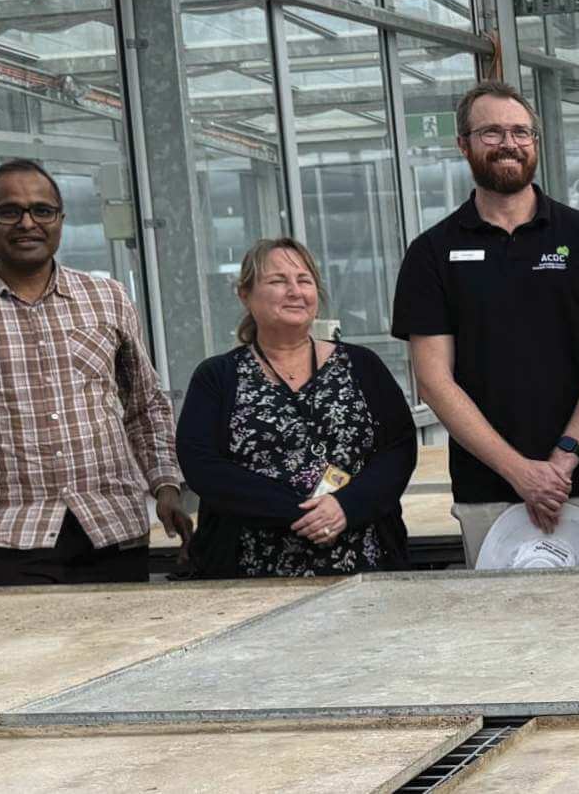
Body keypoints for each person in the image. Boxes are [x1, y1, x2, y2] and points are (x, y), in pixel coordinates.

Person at [0, 159, 191, 595]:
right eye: (9, 211)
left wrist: (165, 484)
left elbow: (144, 403)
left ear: (60, 219)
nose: (27, 223)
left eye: (42, 210)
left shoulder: (107, 299)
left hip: (112, 522)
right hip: (14, 534)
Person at [391, 81, 579, 568]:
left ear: (535, 143)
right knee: (502, 636)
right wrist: (520, 472)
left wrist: (563, 460)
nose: (509, 143)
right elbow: (435, 380)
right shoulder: (432, 254)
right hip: (489, 493)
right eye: (492, 132)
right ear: (463, 145)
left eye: (521, 132)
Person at [177, 239, 416, 578]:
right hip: (249, 572)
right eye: (277, 281)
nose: (294, 290)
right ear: (244, 295)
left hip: (365, 561)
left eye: (304, 280)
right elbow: (201, 465)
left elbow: (398, 449)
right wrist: (301, 513)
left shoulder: (362, 365)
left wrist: (345, 507)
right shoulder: (217, 376)